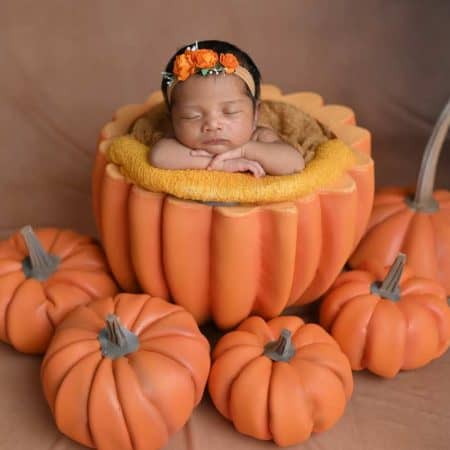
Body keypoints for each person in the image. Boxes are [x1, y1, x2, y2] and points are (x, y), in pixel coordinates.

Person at [149, 40, 305, 178]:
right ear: (172, 119)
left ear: (255, 113)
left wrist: (245, 151)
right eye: (192, 116)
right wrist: (220, 164)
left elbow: (295, 163)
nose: (213, 125)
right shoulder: (179, 141)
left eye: (230, 112)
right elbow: (159, 156)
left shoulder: (258, 136)